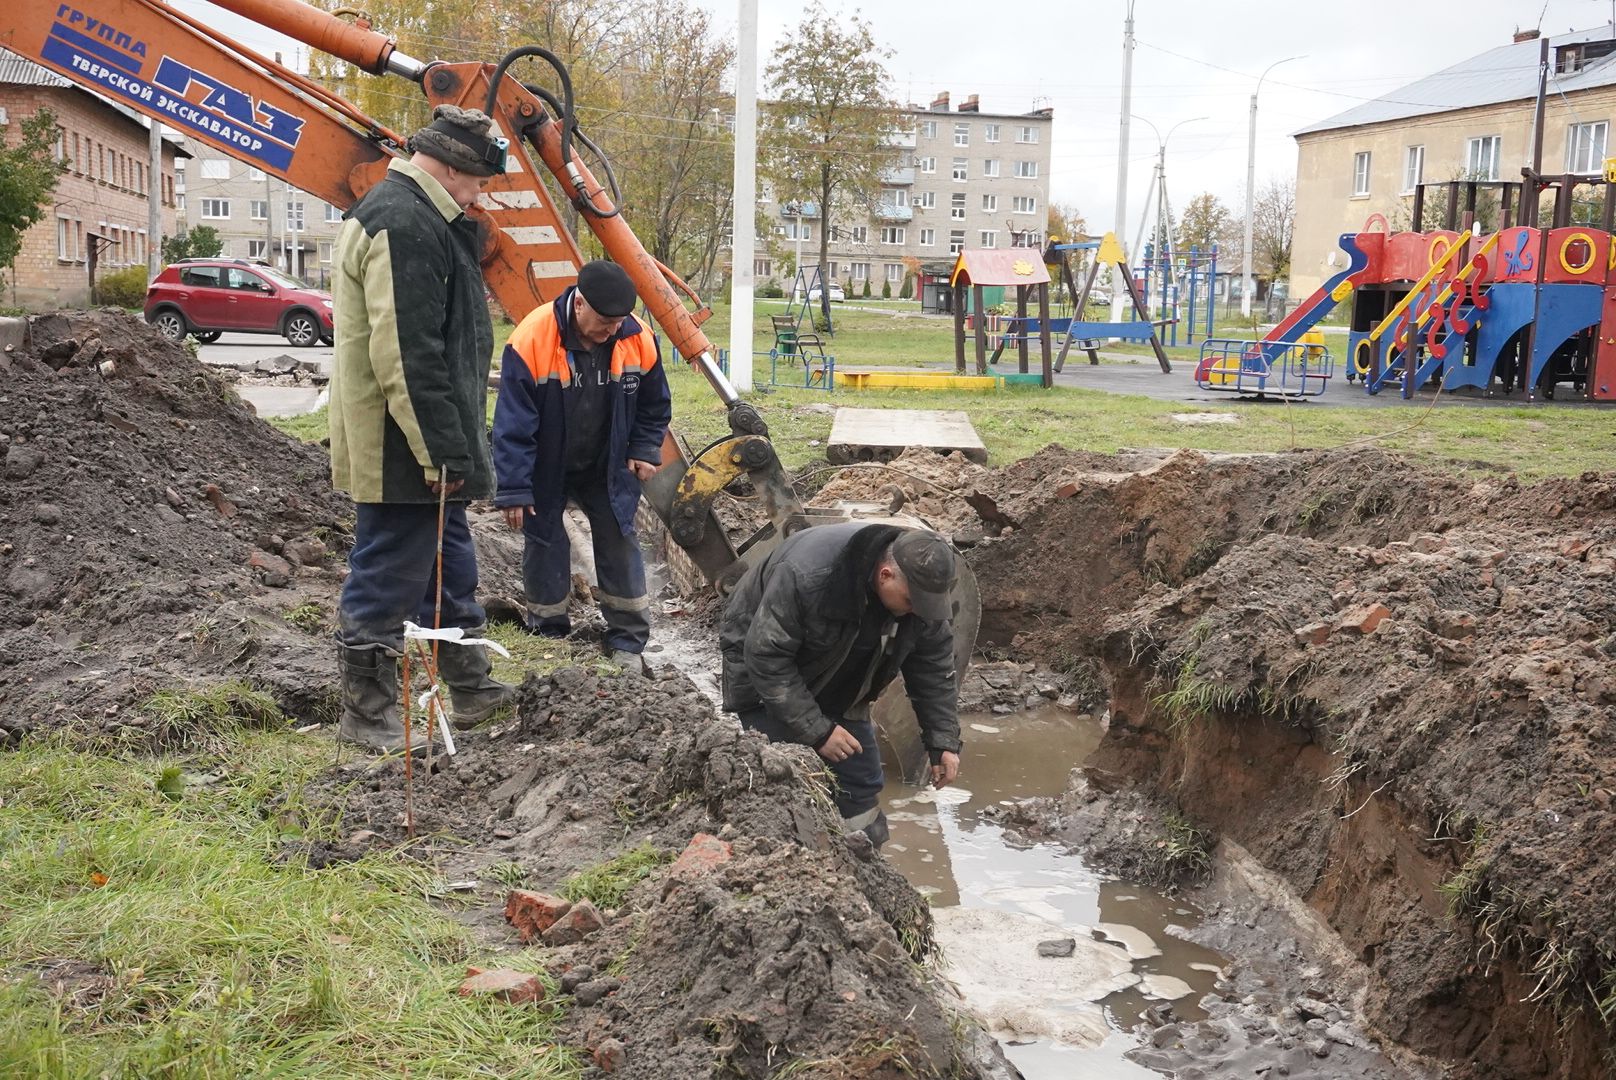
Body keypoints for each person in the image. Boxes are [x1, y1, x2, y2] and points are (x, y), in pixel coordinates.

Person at [329, 104, 515, 753]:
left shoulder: (419, 215)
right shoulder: (404, 220)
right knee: (387, 570)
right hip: (401, 444)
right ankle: (367, 713)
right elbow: (406, 352)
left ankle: (467, 684)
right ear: (451, 166)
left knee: (446, 563)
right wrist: (439, 449)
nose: (480, 193)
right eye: (479, 181)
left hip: (424, 439)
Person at [719, 523, 964, 846]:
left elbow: (932, 669)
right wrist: (818, 731)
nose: (917, 611)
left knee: (860, 783)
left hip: (840, 665)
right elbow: (766, 657)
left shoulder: (921, 601)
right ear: (886, 575)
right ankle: (785, 859)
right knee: (785, 775)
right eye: (910, 601)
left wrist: (943, 740)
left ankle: (862, 860)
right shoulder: (807, 577)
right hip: (763, 669)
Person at [491, 260, 672, 672]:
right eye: (605, 321)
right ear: (579, 305)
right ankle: (548, 633)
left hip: (607, 464)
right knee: (546, 543)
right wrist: (516, 487)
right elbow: (513, 423)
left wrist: (644, 448)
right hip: (546, 465)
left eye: (619, 322)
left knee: (619, 540)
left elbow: (654, 404)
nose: (612, 330)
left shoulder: (637, 337)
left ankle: (627, 638)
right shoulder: (532, 339)